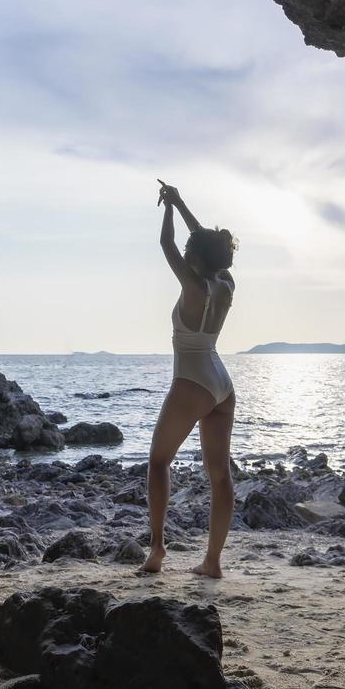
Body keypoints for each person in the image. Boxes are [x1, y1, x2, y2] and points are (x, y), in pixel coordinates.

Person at [140, 179, 238, 579]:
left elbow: (167, 245)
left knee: (158, 462)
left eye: (189, 249)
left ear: (195, 255)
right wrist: (180, 202)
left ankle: (158, 548)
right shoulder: (226, 283)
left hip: (192, 379)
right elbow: (203, 242)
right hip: (222, 383)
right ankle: (212, 561)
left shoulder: (194, 285)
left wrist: (167, 209)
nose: (184, 250)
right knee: (220, 473)